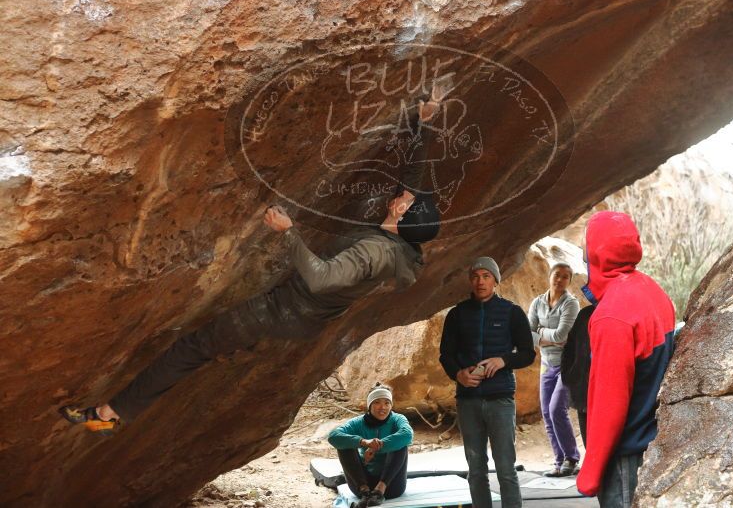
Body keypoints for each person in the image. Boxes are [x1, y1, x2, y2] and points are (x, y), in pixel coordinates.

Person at [59, 94, 447, 435]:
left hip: (284, 311)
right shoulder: (401, 242)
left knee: (192, 347)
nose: (400, 198)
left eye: (405, 204)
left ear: (401, 220)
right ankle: (233, 347)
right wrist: (424, 122)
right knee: (215, 342)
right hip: (302, 314)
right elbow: (411, 179)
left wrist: (288, 231)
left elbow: (321, 279)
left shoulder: (377, 253)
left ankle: (109, 415)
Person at [575, 211, 675, 508]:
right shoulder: (651, 290)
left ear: (597, 251)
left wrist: (591, 471)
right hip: (654, 443)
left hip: (626, 455)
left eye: (586, 241)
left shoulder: (611, 315)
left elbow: (610, 399)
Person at [439, 257, 535, 508]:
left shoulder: (512, 312)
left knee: (505, 467)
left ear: (495, 280)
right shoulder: (457, 314)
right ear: (470, 281)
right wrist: (458, 374)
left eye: (486, 276)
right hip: (467, 400)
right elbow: (445, 355)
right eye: (475, 276)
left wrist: (504, 360)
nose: (480, 281)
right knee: (476, 469)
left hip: (500, 398)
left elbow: (528, 353)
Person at [527, 263, 581, 477]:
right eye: (557, 275)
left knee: (556, 408)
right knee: (546, 413)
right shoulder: (537, 303)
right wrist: (546, 337)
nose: (560, 280)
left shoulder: (571, 304)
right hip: (546, 364)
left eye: (565, 277)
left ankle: (572, 458)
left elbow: (562, 337)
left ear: (569, 281)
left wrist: (540, 333)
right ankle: (559, 462)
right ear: (550, 276)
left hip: (567, 364)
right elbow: (527, 334)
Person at [327, 385, 412, 507]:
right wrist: (363, 442)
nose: (383, 407)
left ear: (391, 405)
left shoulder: (398, 419)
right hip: (362, 489)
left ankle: (379, 491)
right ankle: (365, 491)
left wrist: (376, 446)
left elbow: (407, 435)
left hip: (392, 486)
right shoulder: (358, 423)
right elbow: (333, 436)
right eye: (377, 402)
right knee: (344, 445)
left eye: (387, 403)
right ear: (369, 405)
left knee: (400, 443)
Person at [560, 304, 596, 446]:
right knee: (589, 445)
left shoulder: (619, 312)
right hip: (583, 394)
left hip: (607, 395)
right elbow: (570, 347)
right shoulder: (585, 314)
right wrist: (569, 377)